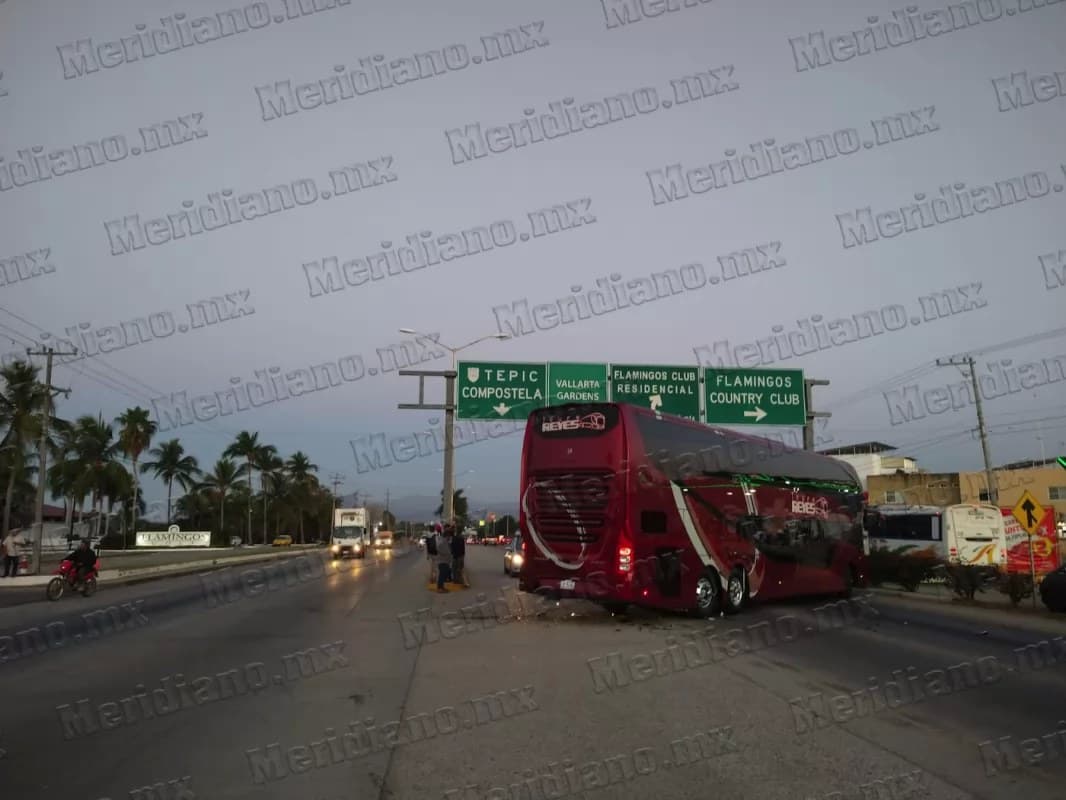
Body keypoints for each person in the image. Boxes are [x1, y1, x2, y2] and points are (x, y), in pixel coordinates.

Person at [435, 525, 453, 593]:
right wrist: (447, 553)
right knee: (442, 575)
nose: (450, 537)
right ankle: (440, 588)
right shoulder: (442, 541)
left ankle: (441, 587)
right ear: (447, 535)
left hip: (444, 561)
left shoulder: (444, 541)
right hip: (442, 561)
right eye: (449, 536)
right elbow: (440, 548)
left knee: (443, 574)